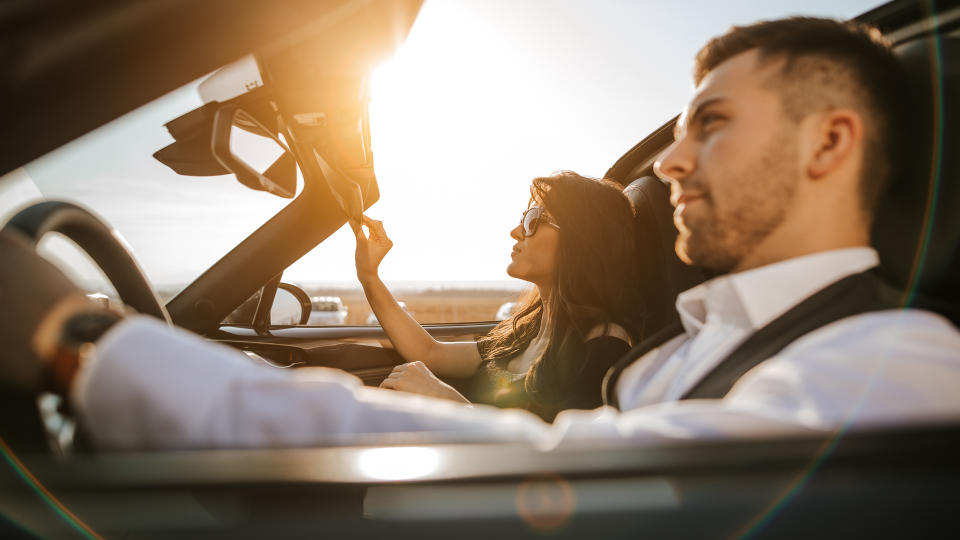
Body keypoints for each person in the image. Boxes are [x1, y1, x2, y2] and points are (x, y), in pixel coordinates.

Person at [2, 16, 959, 451]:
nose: (670, 164)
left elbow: (565, 480)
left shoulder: (899, 360)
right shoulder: (693, 349)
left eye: (710, 125)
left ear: (831, 141)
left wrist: (81, 342)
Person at [354, 172, 675, 421]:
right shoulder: (525, 332)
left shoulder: (604, 345)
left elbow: (551, 459)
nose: (517, 232)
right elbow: (428, 351)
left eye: (534, 220)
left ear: (580, 240)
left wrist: (445, 400)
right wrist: (370, 277)